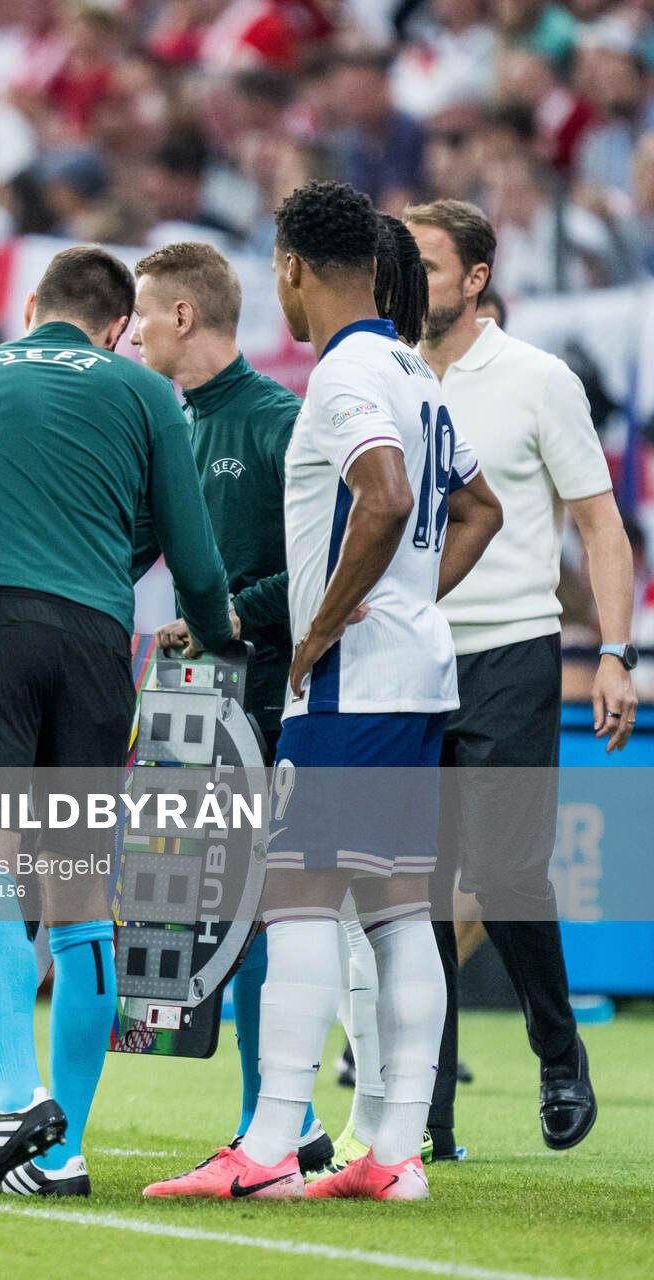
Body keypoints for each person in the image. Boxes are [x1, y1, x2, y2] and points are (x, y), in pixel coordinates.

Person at [146, 181, 504, 1203]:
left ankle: (266, 1143)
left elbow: (386, 493)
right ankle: (391, 1152)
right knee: (393, 908)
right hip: (412, 673)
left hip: (355, 680)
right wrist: (403, 601)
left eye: (276, 272)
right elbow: (480, 507)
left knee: (297, 898)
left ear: (295, 269)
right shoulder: (415, 369)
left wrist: (326, 623)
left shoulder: (348, 369)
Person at [0, 246, 237, 1199]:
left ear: (32, 307)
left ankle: (18, 1098)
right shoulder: (143, 391)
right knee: (77, 906)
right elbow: (192, 554)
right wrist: (218, 635)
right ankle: (63, 1153)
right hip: (92, 650)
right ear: (118, 327)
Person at [405, 197, 632, 1157]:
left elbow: (600, 525)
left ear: (476, 278)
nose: (406, 280)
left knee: (501, 874)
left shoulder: (540, 379)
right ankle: (429, 1117)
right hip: (405, 654)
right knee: (411, 894)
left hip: (510, 647)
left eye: (423, 263)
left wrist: (613, 652)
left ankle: (556, 1048)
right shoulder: (382, 375)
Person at [132, 241, 332, 1173]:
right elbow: (129, 547)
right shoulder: (173, 426)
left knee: (265, 910)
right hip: (202, 701)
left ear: (183, 317)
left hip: (272, 699)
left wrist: (221, 618)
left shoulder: (273, 421)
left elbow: (329, 565)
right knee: (232, 910)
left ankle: (278, 1126)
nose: (132, 333)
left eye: (142, 315)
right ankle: (290, 1123)